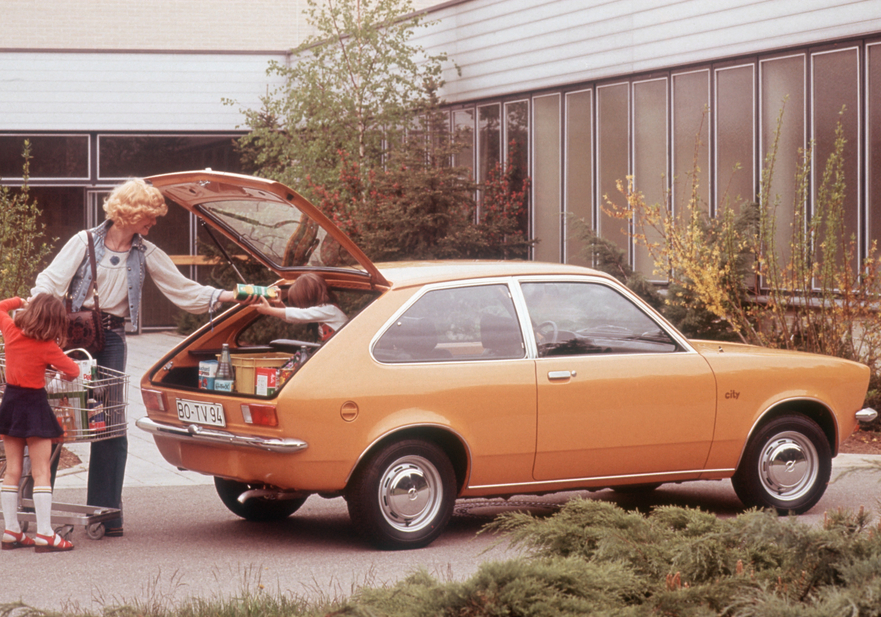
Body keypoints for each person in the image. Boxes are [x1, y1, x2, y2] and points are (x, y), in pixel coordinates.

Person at [30, 178, 241, 537]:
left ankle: (106, 514)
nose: (154, 222)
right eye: (150, 216)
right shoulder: (84, 242)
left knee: (111, 422)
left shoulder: (145, 252)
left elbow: (183, 289)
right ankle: (40, 509)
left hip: (112, 338)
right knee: (59, 418)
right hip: (73, 336)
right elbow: (49, 283)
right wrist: (33, 320)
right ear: (132, 213)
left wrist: (232, 295)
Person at [0, 294, 80, 552]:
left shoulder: (11, 332)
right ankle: (45, 533)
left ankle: (11, 529)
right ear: (55, 322)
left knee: (12, 470)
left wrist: (20, 301)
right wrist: (58, 374)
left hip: (11, 404)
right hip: (34, 406)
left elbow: (0, 307)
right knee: (41, 471)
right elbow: (74, 371)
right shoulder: (47, 346)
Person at [255, 273, 347, 341]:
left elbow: (299, 314)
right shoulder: (322, 314)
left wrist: (269, 310)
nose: (300, 307)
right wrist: (278, 303)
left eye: (300, 303)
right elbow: (293, 318)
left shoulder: (330, 310)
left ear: (308, 298)